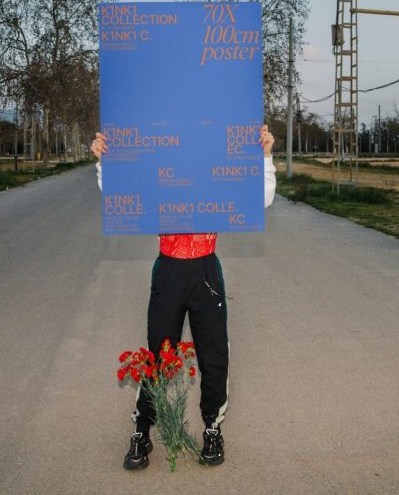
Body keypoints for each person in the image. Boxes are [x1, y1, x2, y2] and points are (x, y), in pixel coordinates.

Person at [92, 125, 276, 470]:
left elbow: (260, 199)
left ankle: (212, 428)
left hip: (206, 269)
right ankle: (142, 431)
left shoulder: (216, 163)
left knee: (213, 352)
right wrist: (105, 162)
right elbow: (121, 194)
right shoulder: (160, 161)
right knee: (157, 354)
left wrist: (265, 155)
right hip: (169, 269)